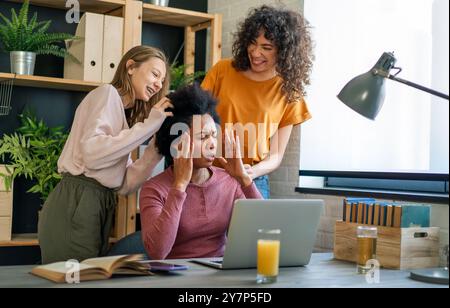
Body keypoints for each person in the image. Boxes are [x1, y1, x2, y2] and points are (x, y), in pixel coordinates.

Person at [38, 46, 173, 264]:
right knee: (76, 281)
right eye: (155, 74)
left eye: (161, 79)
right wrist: (150, 125)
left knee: (86, 279)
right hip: (78, 200)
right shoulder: (107, 94)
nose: (158, 84)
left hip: (98, 203)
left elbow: (124, 184)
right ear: (130, 67)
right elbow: (92, 154)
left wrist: (157, 148)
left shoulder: (122, 116)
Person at [201, 5, 314, 199]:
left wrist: (251, 173)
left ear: (285, 51)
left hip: (254, 178)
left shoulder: (289, 91)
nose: (255, 52)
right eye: (252, 43)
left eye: (266, 48)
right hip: (211, 174)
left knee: (253, 230)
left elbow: (276, 155)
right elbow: (196, 116)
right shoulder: (222, 70)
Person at [139, 84, 263, 260]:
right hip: (174, 276)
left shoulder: (229, 182)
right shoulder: (154, 189)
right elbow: (157, 252)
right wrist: (179, 186)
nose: (212, 143)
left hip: (219, 274)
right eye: (203, 137)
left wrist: (244, 180)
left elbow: (264, 232)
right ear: (177, 142)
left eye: (214, 135)